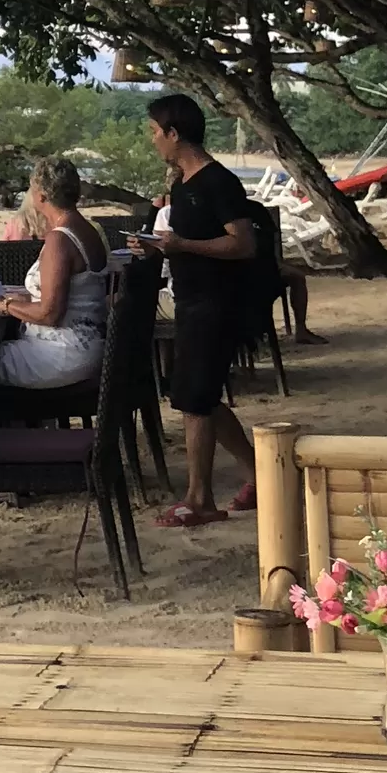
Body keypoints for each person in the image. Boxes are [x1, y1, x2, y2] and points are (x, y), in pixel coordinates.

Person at [129, 94, 257, 527]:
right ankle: (263, 473)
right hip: (189, 298)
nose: (152, 141)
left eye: (154, 132)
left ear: (174, 133)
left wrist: (182, 245)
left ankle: (199, 498)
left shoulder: (217, 182)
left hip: (218, 302)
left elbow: (242, 243)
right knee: (194, 394)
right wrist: (155, 250)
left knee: (195, 399)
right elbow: (183, 244)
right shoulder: (181, 184)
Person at [0, 158, 109, 391]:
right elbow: (74, 298)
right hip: (90, 346)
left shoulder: (60, 240)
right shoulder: (89, 231)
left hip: (62, 353)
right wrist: (25, 301)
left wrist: (6, 305)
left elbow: (50, 314)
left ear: (40, 196)